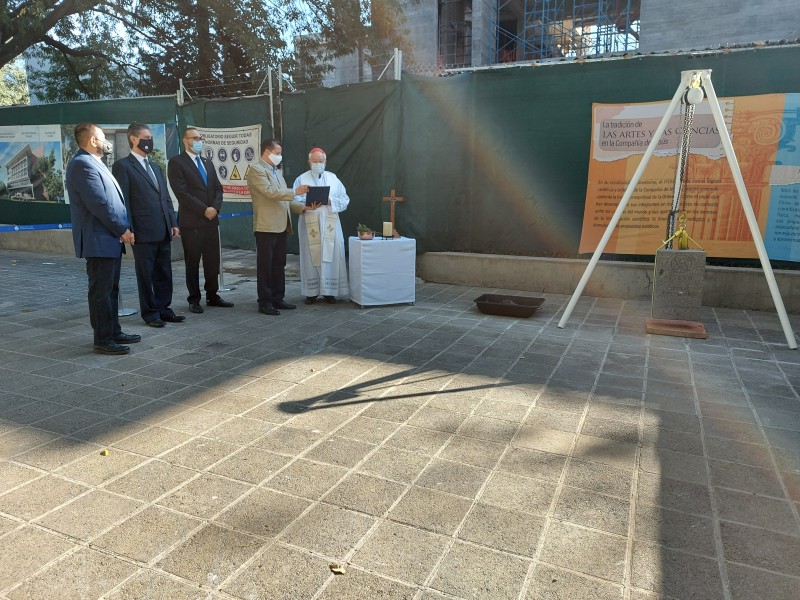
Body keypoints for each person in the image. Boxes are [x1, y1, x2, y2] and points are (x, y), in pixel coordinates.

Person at [66, 123, 141, 355]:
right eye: (102, 137)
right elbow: (99, 203)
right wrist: (122, 229)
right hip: (99, 239)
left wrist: (122, 228)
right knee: (101, 291)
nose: (106, 140)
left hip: (109, 237)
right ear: (92, 141)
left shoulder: (95, 163)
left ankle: (113, 331)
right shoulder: (82, 164)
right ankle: (103, 338)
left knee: (111, 289)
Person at [112, 123, 184, 328]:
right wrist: (128, 228)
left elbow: (165, 198)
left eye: (150, 137)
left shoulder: (155, 167)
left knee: (164, 272)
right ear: (133, 139)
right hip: (142, 231)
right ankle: (150, 313)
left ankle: (164, 308)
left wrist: (173, 222)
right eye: (145, 137)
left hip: (163, 229)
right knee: (146, 274)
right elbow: (123, 200)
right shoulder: (123, 166)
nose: (149, 141)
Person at [167, 126, 233, 314]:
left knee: (212, 261)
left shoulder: (207, 162)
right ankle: (194, 299)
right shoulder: (176, 162)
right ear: (185, 141)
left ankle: (212, 295)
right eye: (194, 138)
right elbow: (182, 193)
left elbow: (218, 188)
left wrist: (215, 208)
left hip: (211, 221)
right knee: (193, 262)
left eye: (200, 138)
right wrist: (204, 209)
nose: (198, 141)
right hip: (192, 222)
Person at [245, 138, 310, 315]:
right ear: (267, 152)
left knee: (279, 264)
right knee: (265, 265)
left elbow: (284, 199)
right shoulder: (256, 170)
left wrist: (302, 207)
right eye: (278, 153)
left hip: (281, 225)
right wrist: (295, 192)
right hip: (266, 227)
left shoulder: (276, 171)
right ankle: (265, 302)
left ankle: (277, 298)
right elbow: (270, 193)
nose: (280, 157)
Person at [292, 147, 350, 304]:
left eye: (321, 161)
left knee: (331, 255)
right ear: (309, 161)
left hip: (329, 221)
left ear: (326, 161)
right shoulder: (301, 179)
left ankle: (329, 292)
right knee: (311, 255)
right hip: (310, 221)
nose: (318, 164)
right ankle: (311, 292)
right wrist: (307, 204)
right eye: (315, 161)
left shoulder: (333, 178)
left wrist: (331, 201)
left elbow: (345, 199)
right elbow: (293, 200)